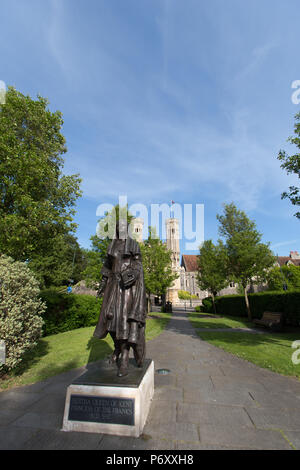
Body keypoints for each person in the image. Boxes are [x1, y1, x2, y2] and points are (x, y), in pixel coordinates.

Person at [93, 218, 147, 377]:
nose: (121, 229)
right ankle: (117, 348)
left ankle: (124, 356)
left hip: (127, 288)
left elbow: (138, 264)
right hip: (113, 286)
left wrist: (131, 274)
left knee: (123, 321)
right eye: (118, 227)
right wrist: (103, 283)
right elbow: (107, 266)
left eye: (123, 227)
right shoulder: (113, 245)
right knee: (108, 319)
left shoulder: (133, 245)